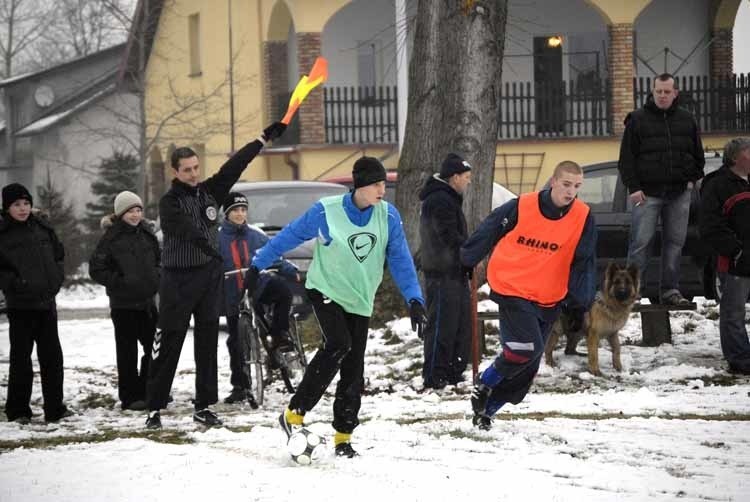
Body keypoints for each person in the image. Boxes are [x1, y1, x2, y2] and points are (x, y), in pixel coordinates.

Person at [246, 156, 426, 457]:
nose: (383, 189)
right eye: (377, 184)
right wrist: (258, 264)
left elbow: (400, 259)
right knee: (338, 344)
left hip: (360, 298)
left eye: (384, 184)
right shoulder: (326, 211)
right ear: (360, 186)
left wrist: (415, 299)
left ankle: (343, 437)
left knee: (354, 367)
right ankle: (294, 413)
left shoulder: (388, 216)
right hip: (325, 289)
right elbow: (290, 235)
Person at [144, 121, 287, 430]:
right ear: (175, 173)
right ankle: (154, 407)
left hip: (209, 279)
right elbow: (181, 228)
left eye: (196, 168)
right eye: (187, 170)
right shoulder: (169, 202)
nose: (194, 174)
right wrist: (208, 247)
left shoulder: (210, 192)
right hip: (178, 280)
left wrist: (262, 140)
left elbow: (234, 166)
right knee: (170, 341)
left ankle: (204, 405)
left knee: (207, 342)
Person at [461, 161, 597, 430]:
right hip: (512, 286)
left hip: (549, 295)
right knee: (526, 348)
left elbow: (584, 261)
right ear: (553, 182)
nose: (571, 192)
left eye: (577, 186)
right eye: (566, 184)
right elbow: (490, 229)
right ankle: (486, 382)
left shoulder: (583, 216)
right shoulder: (522, 205)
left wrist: (579, 303)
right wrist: (467, 259)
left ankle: (486, 411)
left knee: (526, 371)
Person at [618, 73, 705, 305]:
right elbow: (626, 159)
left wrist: (691, 180)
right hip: (646, 194)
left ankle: (670, 291)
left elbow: (698, 155)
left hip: (679, 193)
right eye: (659, 91)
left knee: (675, 244)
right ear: (652, 91)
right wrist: (633, 188)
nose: (663, 96)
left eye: (667, 92)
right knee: (640, 244)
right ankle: (633, 294)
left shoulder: (688, 119)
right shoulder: (637, 119)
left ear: (675, 93)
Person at [218, 191, 299, 406]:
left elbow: (273, 254)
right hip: (233, 292)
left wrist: (291, 270)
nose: (240, 214)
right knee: (236, 340)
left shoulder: (255, 234)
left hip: (258, 286)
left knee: (283, 291)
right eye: (235, 210)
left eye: (243, 209)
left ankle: (279, 333)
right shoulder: (218, 238)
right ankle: (240, 385)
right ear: (226, 214)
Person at [0, 183, 71, 424]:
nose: (22, 209)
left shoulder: (42, 227)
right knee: (21, 360)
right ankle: (18, 410)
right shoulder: (3, 232)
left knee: (53, 358)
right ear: (7, 207)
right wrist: (15, 284)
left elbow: (59, 255)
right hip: (21, 306)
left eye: (26, 204)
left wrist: (56, 278)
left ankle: (55, 408)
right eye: (17, 205)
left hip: (46, 303)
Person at [89, 191, 160, 411]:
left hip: (148, 304)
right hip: (124, 306)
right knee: (127, 353)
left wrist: (157, 277)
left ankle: (150, 390)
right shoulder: (110, 237)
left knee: (154, 349)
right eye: (130, 211)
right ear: (121, 213)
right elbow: (97, 269)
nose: (135, 215)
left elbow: (159, 259)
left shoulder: (147, 235)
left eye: (138, 210)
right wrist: (119, 282)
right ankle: (130, 397)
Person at [418, 153, 472, 389]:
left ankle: (452, 370)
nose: (469, 182)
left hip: (454, 271)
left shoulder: (449, 197)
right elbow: (447, 235)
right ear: (455, 177)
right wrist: (470, 249)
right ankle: (435, 374)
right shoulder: (440, 200)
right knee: (442, 325)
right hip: (442, 272)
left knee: (459, 324)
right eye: (466, 177)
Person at [699, 138, 750, 375]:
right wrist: (736, 250)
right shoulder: (717, 184)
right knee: (733, 313)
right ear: (735, 157)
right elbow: (710, 226)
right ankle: (740, 361)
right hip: (734, 262)